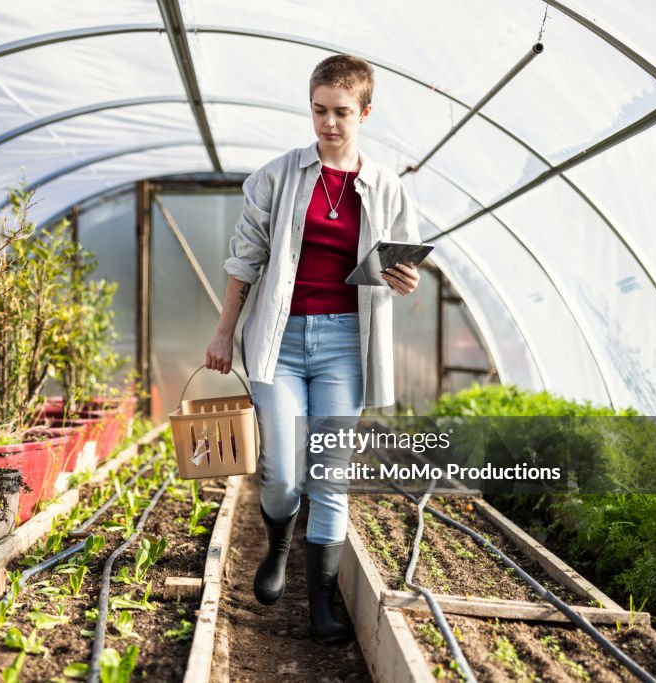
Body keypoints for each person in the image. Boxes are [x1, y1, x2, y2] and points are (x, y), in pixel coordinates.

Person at [204, 54, 420, 644]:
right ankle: (277, 546)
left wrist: (404, 279)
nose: (329, 123)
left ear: (365, 112)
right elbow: (243, 260)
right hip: (280, 338)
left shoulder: (387, 188)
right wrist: (224, 331)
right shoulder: (277, 178)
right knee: (281, 472)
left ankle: (320, 599)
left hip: (347, 344)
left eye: (342, 113)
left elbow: (399, 266)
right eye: (319, 111)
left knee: (330, 475)